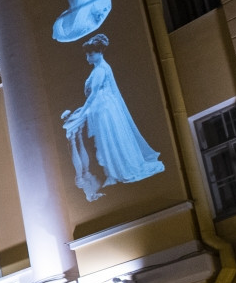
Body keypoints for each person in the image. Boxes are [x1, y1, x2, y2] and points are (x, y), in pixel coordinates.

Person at [61, 33, 165, 201]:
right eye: (87, 54)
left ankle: (119, 171)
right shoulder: (100, 68)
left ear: (99, 52)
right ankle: (114, 172)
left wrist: (83, 111)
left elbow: (93, 95)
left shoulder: (100, 70)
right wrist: (84, 109)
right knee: (107, 141)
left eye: (90, 54)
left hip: (105, 110)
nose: (88, 57)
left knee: (110, 139)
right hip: (104, 108)